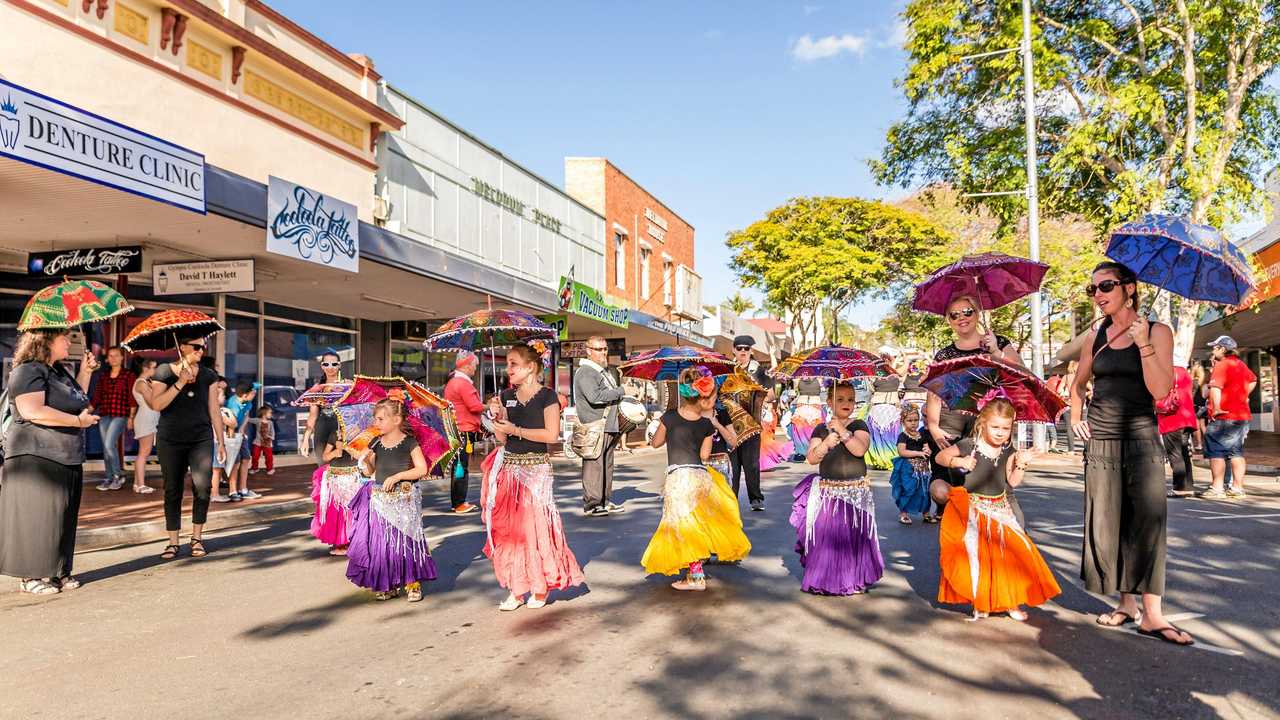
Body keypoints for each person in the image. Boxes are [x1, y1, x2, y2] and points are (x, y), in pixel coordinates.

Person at [1070, 261, 1192, 646]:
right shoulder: (1097, 334)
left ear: (1130, 288)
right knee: (1110, 522)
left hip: (1141, 436)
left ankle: (1152, 614)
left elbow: (1159, 391)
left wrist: (1144, 343)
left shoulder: (1157, 331)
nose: (1098, 294)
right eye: (1093, 289)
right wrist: (1076, 416)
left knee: (1147, 523)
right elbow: (1078, 383)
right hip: (1101, 438)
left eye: (1105, 286)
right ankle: (1126, 604)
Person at [934, 398, 1061, 621]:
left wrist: (1021, 462)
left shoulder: (1008, 450)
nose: (1001, 433)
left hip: (1000, 510)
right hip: (974, 510)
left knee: (1012, 555)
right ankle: (982, 602)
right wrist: (959, 462)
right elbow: (941, 457)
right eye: (995, 427)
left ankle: (1010, 600)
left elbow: (1012, 481)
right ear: (982, 423)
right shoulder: (969, 445)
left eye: (1006, 428)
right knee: (980, 559)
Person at [482, 344, 586, 611]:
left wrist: (516, 428)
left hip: (536, 470)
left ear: (530, 367)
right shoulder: (505, 396)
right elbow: (502, 438)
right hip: (509, 469)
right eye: (507, 363)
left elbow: (551, 436)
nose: (508, 369)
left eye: (514, 363)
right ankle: (516, 587)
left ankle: (539, 586)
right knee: (509, 532)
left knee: (534, 529)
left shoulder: (547, 396)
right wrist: (497, 418)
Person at [0, 330, 99, 595]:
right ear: (46, 341)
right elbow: (33, 410)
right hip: (35, 455)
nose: (69, 342)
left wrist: (86, 372)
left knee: (62, 516)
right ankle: (30, 575)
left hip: (66, 453)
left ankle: (58, 571)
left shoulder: (58, 371)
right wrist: (78, 422)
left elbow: (76, 400)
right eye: (64, 338)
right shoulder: (28, 370)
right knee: (38, 517)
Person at [643, 367, 749, 591]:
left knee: (683, 523)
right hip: (700, 475)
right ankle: (695, 571)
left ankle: (696, 576)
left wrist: (661, 427)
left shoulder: (669, 417)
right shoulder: (706, 424)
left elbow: (655, 443)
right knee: (696, 522)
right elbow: (704, 456)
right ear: (701, 396)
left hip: (678, 477)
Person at [925, 295, 1023, 509]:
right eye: (954, 314)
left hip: (990, 424)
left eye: (968, 312)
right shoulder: (945, 354)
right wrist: (933, 426)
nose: (962, 317)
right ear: (948, 320)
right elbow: (934, 393)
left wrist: (995, 351)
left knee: (995, 487)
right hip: (951, 425)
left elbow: (1021, 375)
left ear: (978, 313)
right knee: (943, 490)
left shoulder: (999, 343)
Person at [790, 382, 881, 595]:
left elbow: (860, 450)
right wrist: (827, 443)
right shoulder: (821, 429)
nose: (846, 403)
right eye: (840, 399)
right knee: (829, 539)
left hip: (855, 493)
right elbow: (812, 458)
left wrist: (843, 431)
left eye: (850, 399)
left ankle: (853, 579)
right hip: (828, 493)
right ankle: (826, 579)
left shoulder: (859, 425)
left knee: (852, 537)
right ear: (829, 402)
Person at [140, 335, 226, 561]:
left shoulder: (208, 375)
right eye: (196, 347)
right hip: (170, 438)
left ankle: (197, 538)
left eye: (203, 346)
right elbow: (157, 404)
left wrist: (221, 441)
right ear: (182, 347)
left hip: (201, 437)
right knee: (172, 489)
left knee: (203, 486)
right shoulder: (164, 372)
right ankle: (173, 542)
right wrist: (179, 382)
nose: (201, 350)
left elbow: (214, 410)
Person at [343, 398, 436, 602]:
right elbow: (371, 472)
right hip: (380, 500)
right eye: (375, 419)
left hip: (403, 500)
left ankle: (412, 583)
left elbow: (421, 469)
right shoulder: (375, 442)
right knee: (384, 544)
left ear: (396, 419)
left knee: (406, 541)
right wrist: (365, 461)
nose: (376, 423)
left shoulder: (409, 442)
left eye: (380, 419)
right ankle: (388, 583)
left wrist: (398, 476)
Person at [573, 336, 629, 517]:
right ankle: (593, 504)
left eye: (605, 349)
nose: (604, 352)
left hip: (607, 424)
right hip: (595, 425)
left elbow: (606, 394)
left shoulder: (601, 371)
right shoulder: (586, 371)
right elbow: (595, 396)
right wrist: (622, 391)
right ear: (589, 351)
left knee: (606, 463)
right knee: (594, 464)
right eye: (599, 349)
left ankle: (604, 501)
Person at [1200, 336, 1257, 499]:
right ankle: (1238, 488)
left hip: (1224, 416)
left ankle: (1217, 488)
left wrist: (1216, 408)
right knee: (1236, 452)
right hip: (1241, 415)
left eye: (1215, 347)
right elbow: (1253, 380)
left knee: (1216, 452)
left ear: (1223, 349)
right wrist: (1243, 395)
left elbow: (1215, 388)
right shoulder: (1240, 364)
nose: (1213, 350)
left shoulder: (1222, 364)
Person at [727, 335, 774, 511]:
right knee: (733, 466)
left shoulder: (757, 371)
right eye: (739, 348)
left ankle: (756, 498)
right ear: (733, 350)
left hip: (752, 423)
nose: (743, 352)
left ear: (751, 351)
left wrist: (756, 388)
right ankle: (731, 499)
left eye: (746, 349)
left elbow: (771, 396)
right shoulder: (728, 369)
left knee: (751, 464)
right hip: (730, 423)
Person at [89, 346, 136, 491]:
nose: (113, 358)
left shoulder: (129, 375)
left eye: (116, 355)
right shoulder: (103, 376)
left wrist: (131, 418)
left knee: (109, 444)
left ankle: (118, 475)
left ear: (122, 358)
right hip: (105, 414)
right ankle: (108, 477)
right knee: (106, 447)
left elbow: (132, 398)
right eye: (110, 356)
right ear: (107, 359)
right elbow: (97, 397)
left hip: (120, 415)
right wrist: (86, 412)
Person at [443, 350, 484, 513]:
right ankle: (459, 502)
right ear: (467, 366)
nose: (475, 369)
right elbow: (474, 406)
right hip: (464, 430)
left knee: (459, 466)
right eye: (474, 366)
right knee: (461, 467)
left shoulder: (453, 382)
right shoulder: (463, 383)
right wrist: (488, 405)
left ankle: (458, 501)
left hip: (457, 429)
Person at [890, 405, 933, 525]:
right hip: (907, 467)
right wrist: (918, 453)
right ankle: (903, 514)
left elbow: (926, 447)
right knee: (908, 489)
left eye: (915, 420)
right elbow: (902, 452)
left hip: (923, 468)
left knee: (924, 490)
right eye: (909, 420)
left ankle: (926, 513)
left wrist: (927, 451)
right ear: (903, 422)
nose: (913, 423)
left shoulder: (921, 435)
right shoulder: (902, 436)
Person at [1159, 365, 1198, 498]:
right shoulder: (1182, 371)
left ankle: (1180, 487)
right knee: (1184, 453)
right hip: (1186, 417)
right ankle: (1188, 486)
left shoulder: (1163, 371)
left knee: (1175, 454)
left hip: (1171, 418)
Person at [863, 346, 903, 470]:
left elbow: (870, 390)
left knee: (891, 435)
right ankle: (880, 460)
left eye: (888, 359)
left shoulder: (894, 373)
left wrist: (902, 353)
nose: (886, 362)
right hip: (878, 407)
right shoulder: (875, 374)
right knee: (879, 436)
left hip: (891, 408)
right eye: (884, 359)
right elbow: (870, 390)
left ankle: (889, 459)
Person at [224, 381, 259, 500]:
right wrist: (233, 438)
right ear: (244, 395)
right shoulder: (233, 405)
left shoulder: (247, 402)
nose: (254, 394)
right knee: (235, 461)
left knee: (246, 458)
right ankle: (233, 491)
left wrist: (242, 430)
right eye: (252, 393)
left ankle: (243, 489)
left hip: (239, 433)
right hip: (230, 434)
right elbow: (230, 423)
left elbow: (246, 416)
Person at [129, 357, 160, 494]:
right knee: (144, 452)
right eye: (154, 367)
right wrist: (157, 388)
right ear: (145, 368)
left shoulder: (145, 382)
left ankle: (137, 484)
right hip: (146, 418)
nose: (156, 370)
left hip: (148, 418)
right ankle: (141, 484)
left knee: (143, 452)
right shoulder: (141, 383)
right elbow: (152, 402)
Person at [211, 407, 243, 503]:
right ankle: (215, 494)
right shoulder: (220, 412)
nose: (224, 397)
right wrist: (228, 411)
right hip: (219, 443)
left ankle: (218, 493)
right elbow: (234, 424)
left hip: (219, 442)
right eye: (222, 395)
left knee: (219, 469)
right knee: (217, 469)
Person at [758, 390, 794, 472]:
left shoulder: (766, 382)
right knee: (762, 442)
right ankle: (764, 464)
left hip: (764, 413)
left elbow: (772, 396)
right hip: (762, 413)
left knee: (764, 440)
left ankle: (782, 449)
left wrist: (763, 399)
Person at [251, 406, 275, 475]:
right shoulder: (258, 420)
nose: (271, 414)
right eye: (270, 413)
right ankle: (254, 468)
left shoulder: (270, 422)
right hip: (258, 442)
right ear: (264, 414)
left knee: (269, 457)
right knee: (255, 456)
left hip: (267, 442)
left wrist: (270, 437)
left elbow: (272, 432)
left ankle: (270, 469)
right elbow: (248, 419)